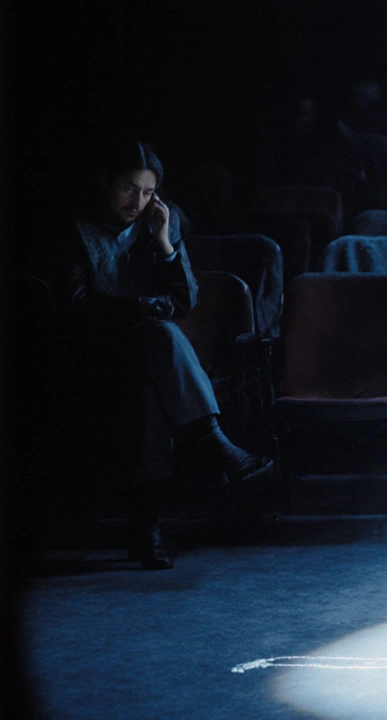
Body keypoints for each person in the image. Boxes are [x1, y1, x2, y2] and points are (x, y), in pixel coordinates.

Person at [45, 140, 273, 570]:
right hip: (89, 352)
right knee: (158, 336)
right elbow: (75, 305)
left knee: (148, 378)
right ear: (105, 183)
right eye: (129, 188)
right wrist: (137, 309)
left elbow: (185, 299)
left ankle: (145, 528)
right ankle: (212, 447)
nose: (138, 201)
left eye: (148, 192)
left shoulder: (158, 225)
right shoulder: (73, 230)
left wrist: (165, 243)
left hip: (141, 359)